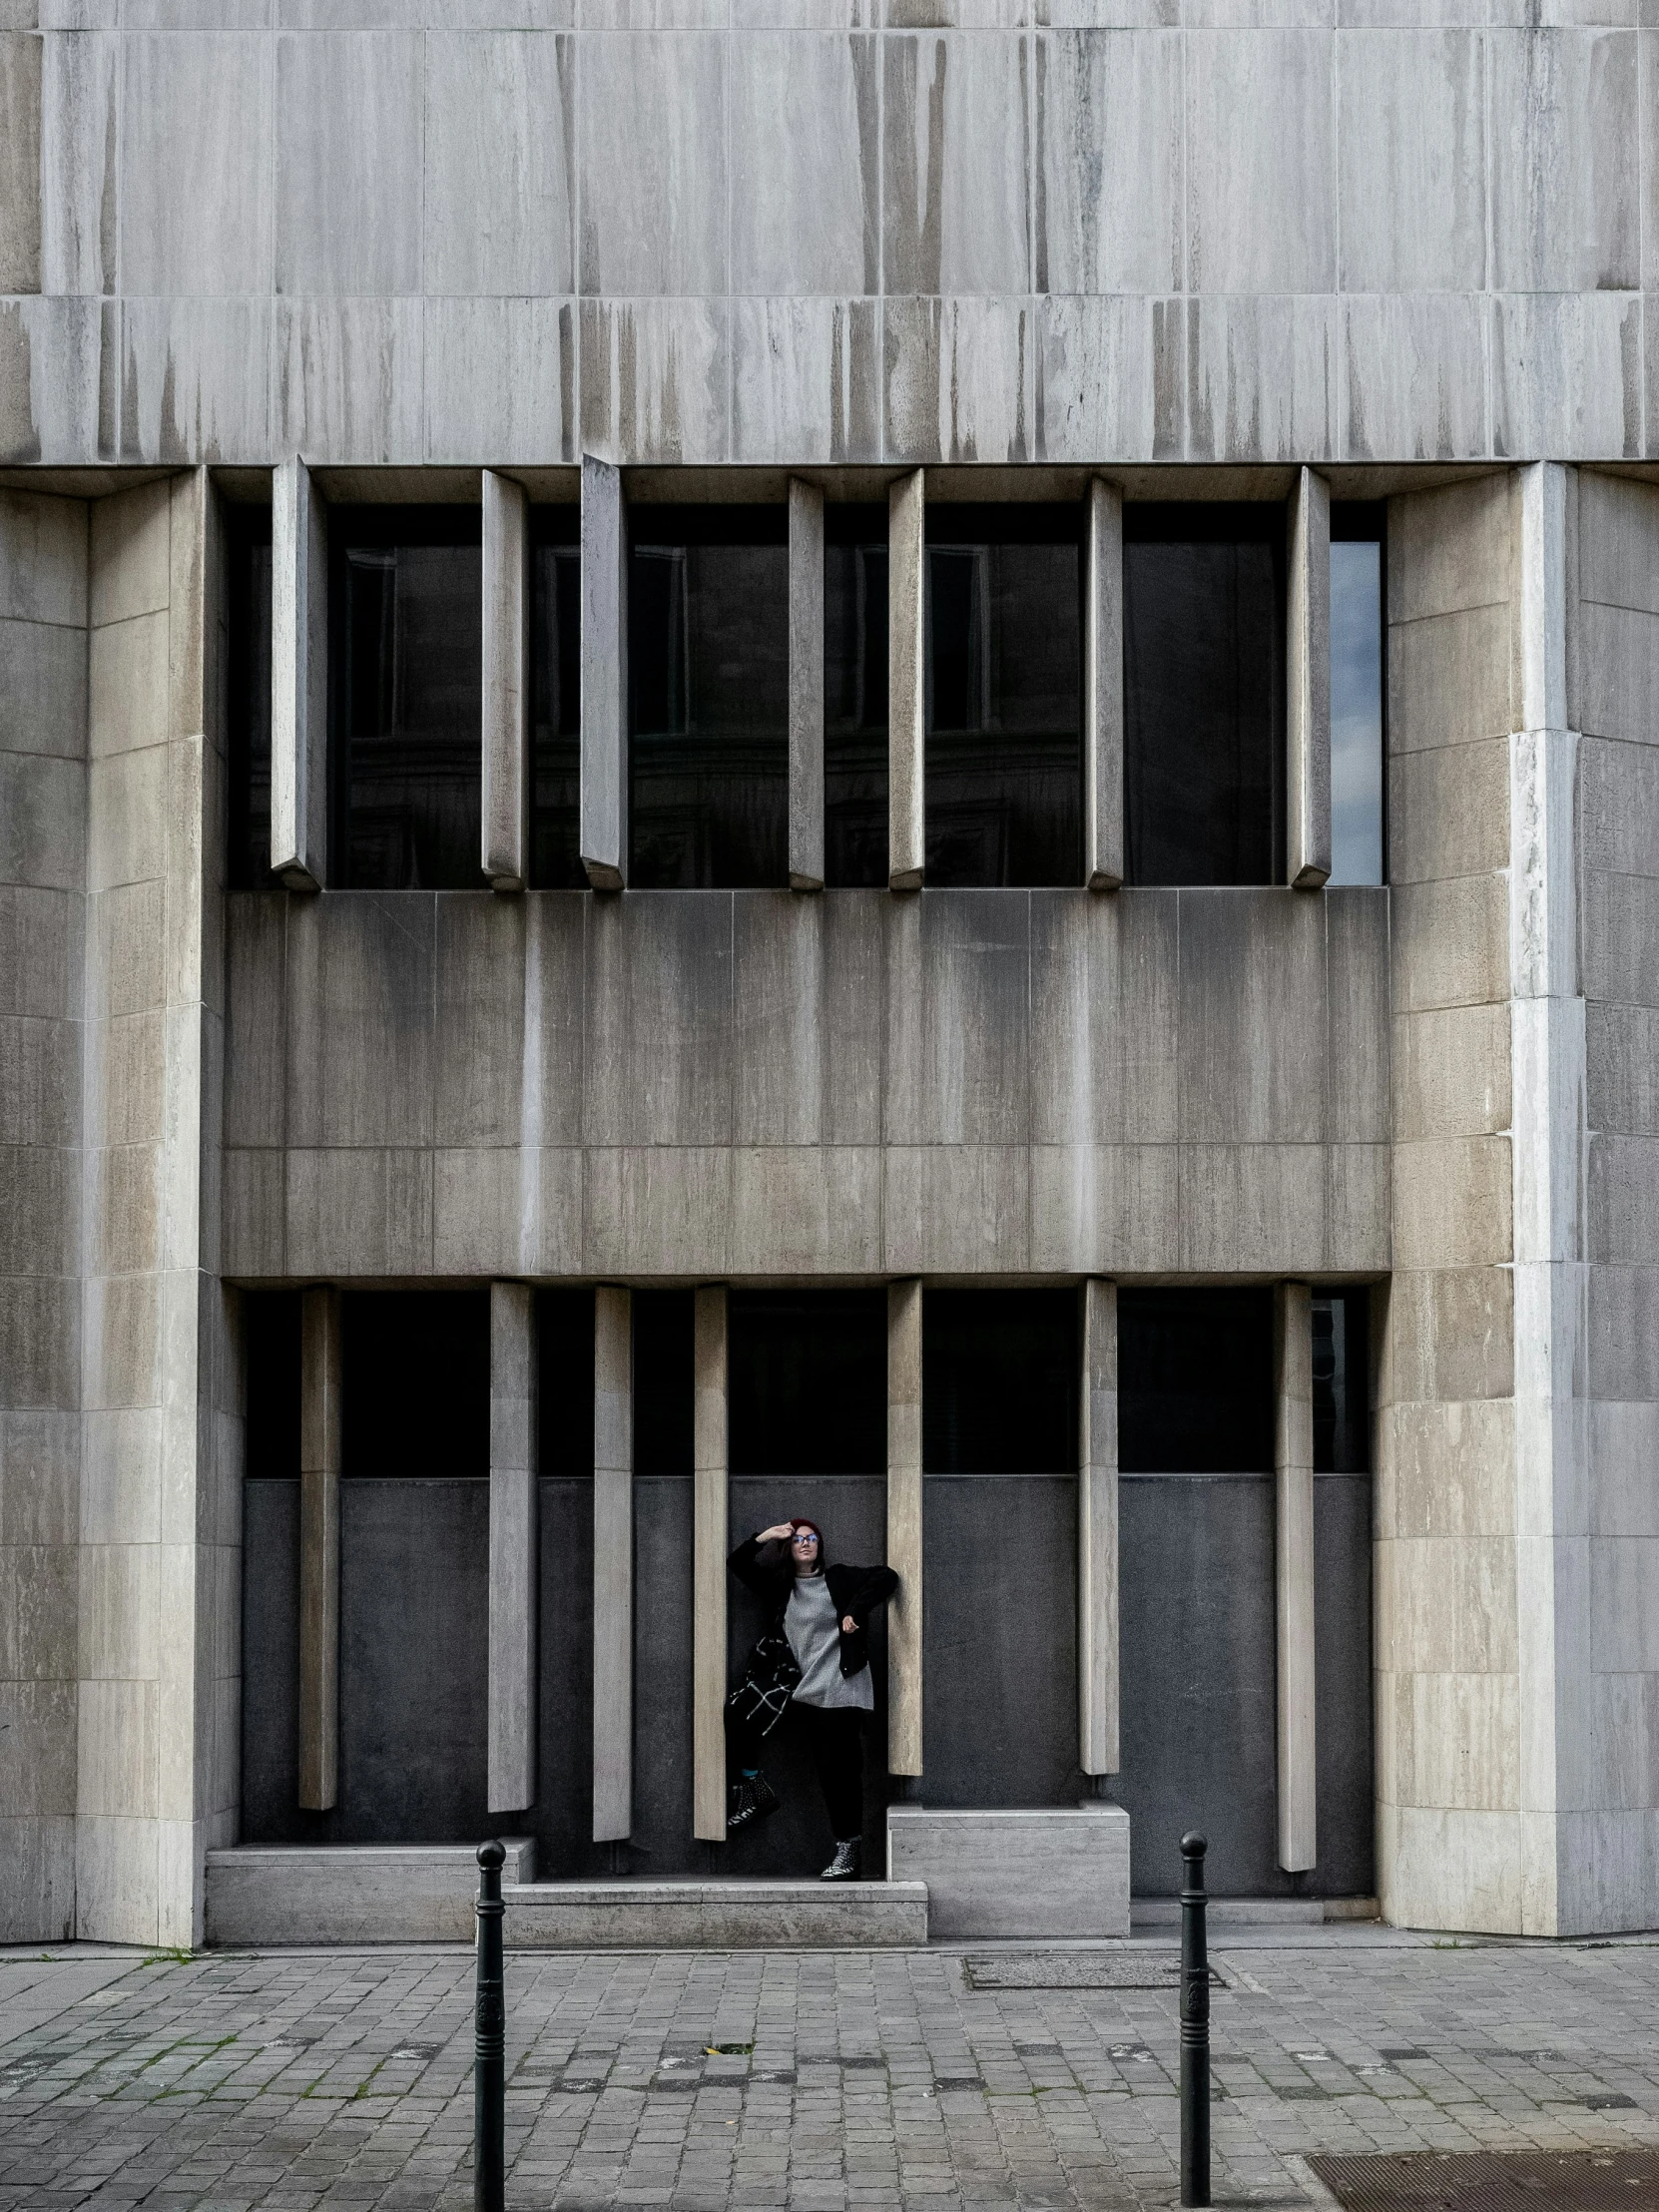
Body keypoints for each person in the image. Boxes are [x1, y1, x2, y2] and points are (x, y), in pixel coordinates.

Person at [724, 1519, 898, 1881]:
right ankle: (754, 1788)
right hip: (797, 1686)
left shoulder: (838, 1578)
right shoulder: (781, 1589)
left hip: (840, 1687)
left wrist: (855, 1610)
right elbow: (738, 1563)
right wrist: (767, 1536)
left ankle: (849, 1852)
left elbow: (887, 1576)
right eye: (799, 1539)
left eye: (813, 1538)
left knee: (838, 1773)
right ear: (788, 1548)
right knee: (738, 1710)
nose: (806, 1543)